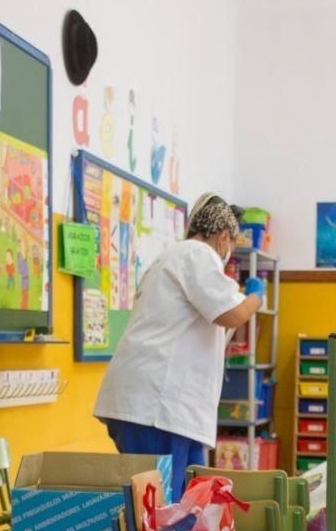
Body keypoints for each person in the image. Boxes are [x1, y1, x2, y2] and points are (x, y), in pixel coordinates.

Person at [92, 193, 263, 500]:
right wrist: (256, 297)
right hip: (157, 406)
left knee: (185, 503)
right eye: (232, 246)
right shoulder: (197, 255)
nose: (229, 254)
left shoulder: (172, 257)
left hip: (152, 403)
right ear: (224, 237)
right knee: (164, 510)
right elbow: (232, 314)